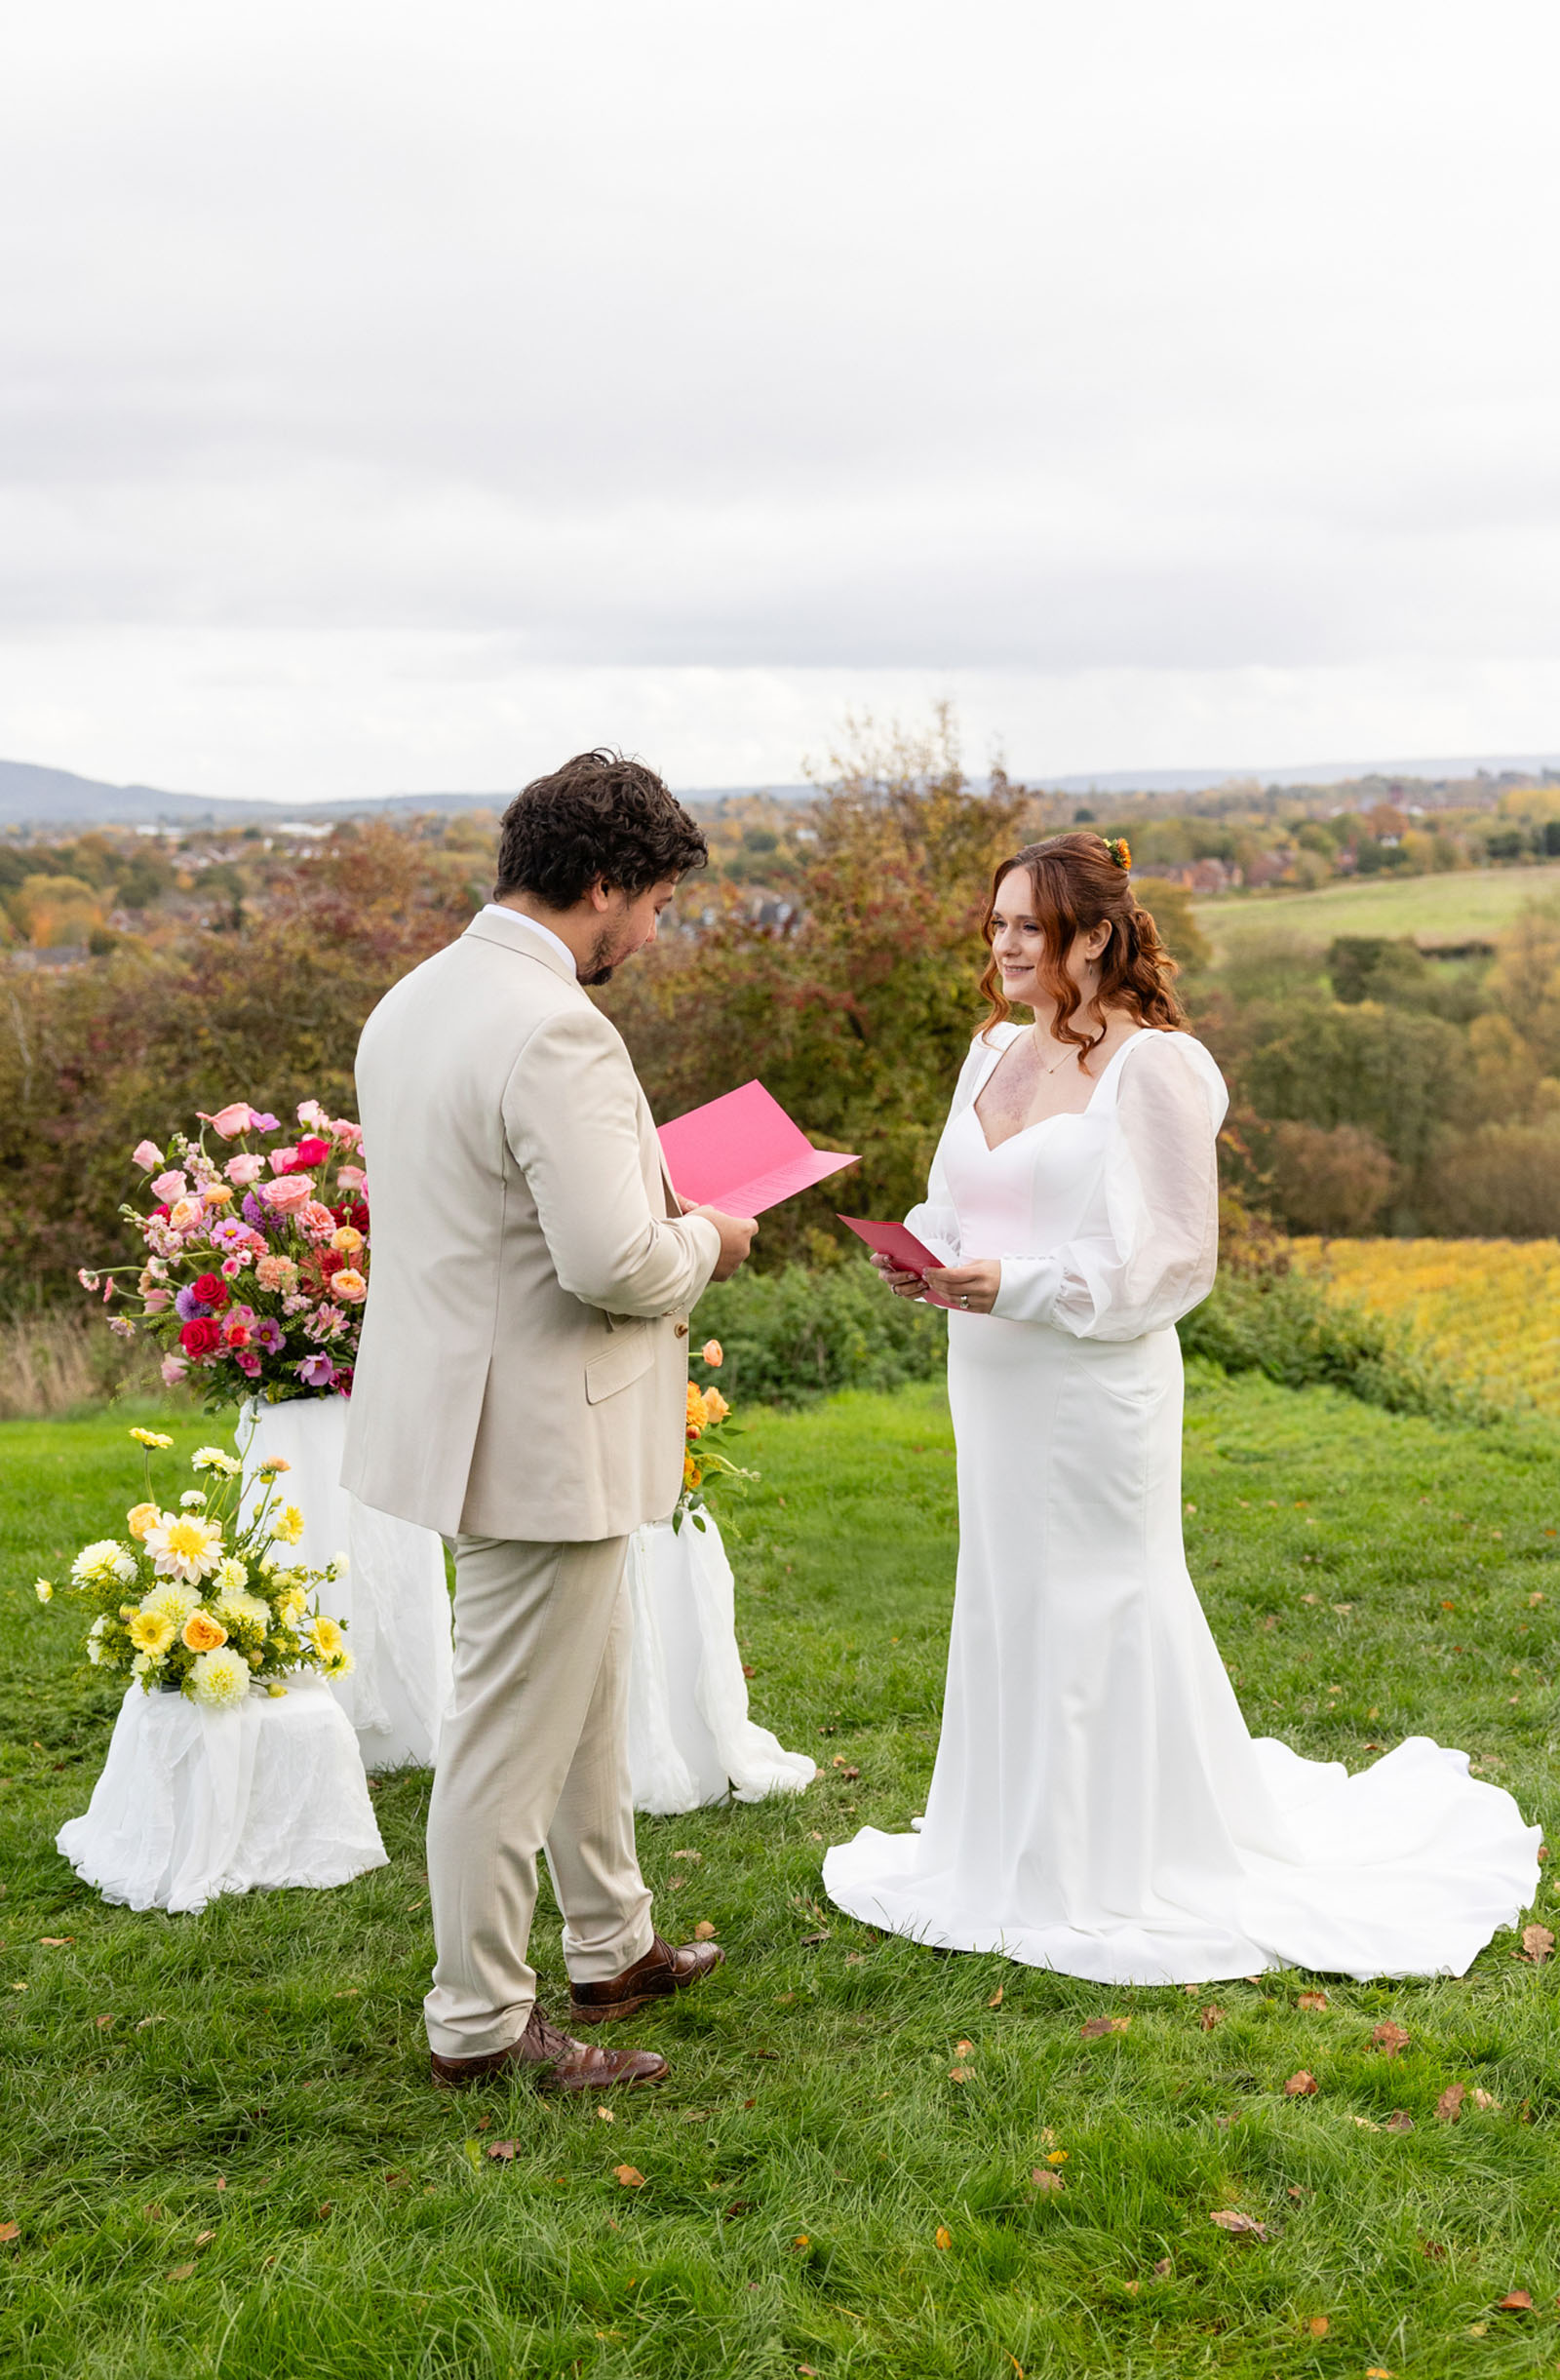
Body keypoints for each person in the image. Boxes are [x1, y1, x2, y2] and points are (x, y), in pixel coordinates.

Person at [824, 832, 1540, 1983]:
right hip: (991, 1379)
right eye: (997, 921)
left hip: (1092, 1385)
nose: (1004, 944)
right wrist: (927, 1255)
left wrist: (1012, 1283)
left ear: (1095, 935)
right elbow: (958, 1197)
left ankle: (1106, 1862)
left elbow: (1171, 1261)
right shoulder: (991, 1051)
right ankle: (1002, 1844)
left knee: (1097, 1595)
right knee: (1009, 1591)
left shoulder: (1155, 1067)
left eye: (1030, 925)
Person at [344, 751, 758, 2090]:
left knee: (583, 1693)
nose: (652, 934)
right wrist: (713, 1234)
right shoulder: (559, 1028)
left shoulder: (412, 1001)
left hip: (467, 1413)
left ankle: (610, 1938)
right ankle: (478, 2020)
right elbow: (616, 1265)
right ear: (598, 884)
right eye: (655, 905)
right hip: (537, 1427)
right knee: (508, 1733)